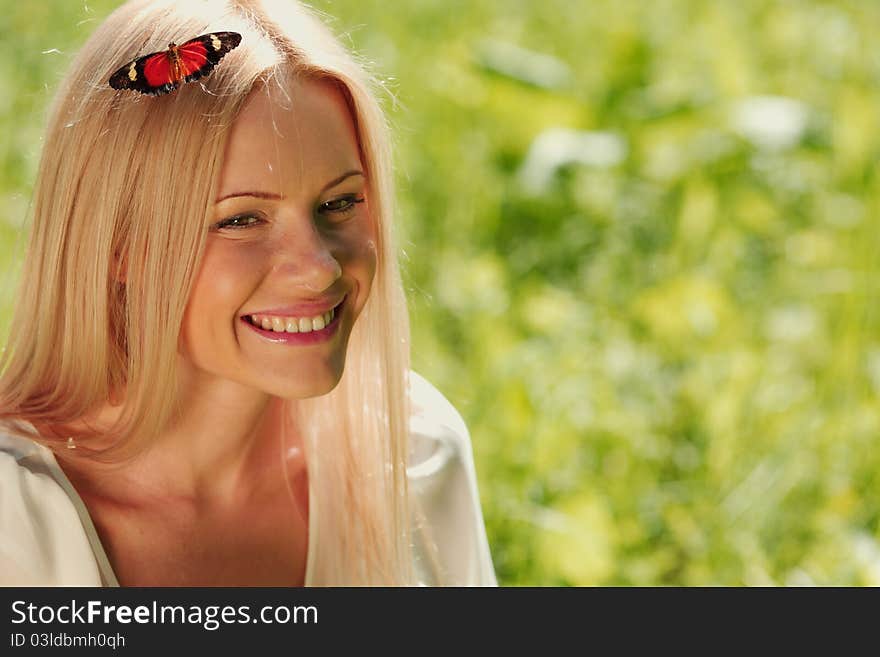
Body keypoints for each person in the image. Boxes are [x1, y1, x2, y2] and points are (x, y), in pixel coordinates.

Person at [0, 0, 496, 586]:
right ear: (118, 246)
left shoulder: (413, 455)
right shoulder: (15, 517)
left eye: (339, 203)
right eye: (240, 220)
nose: (317, 269)